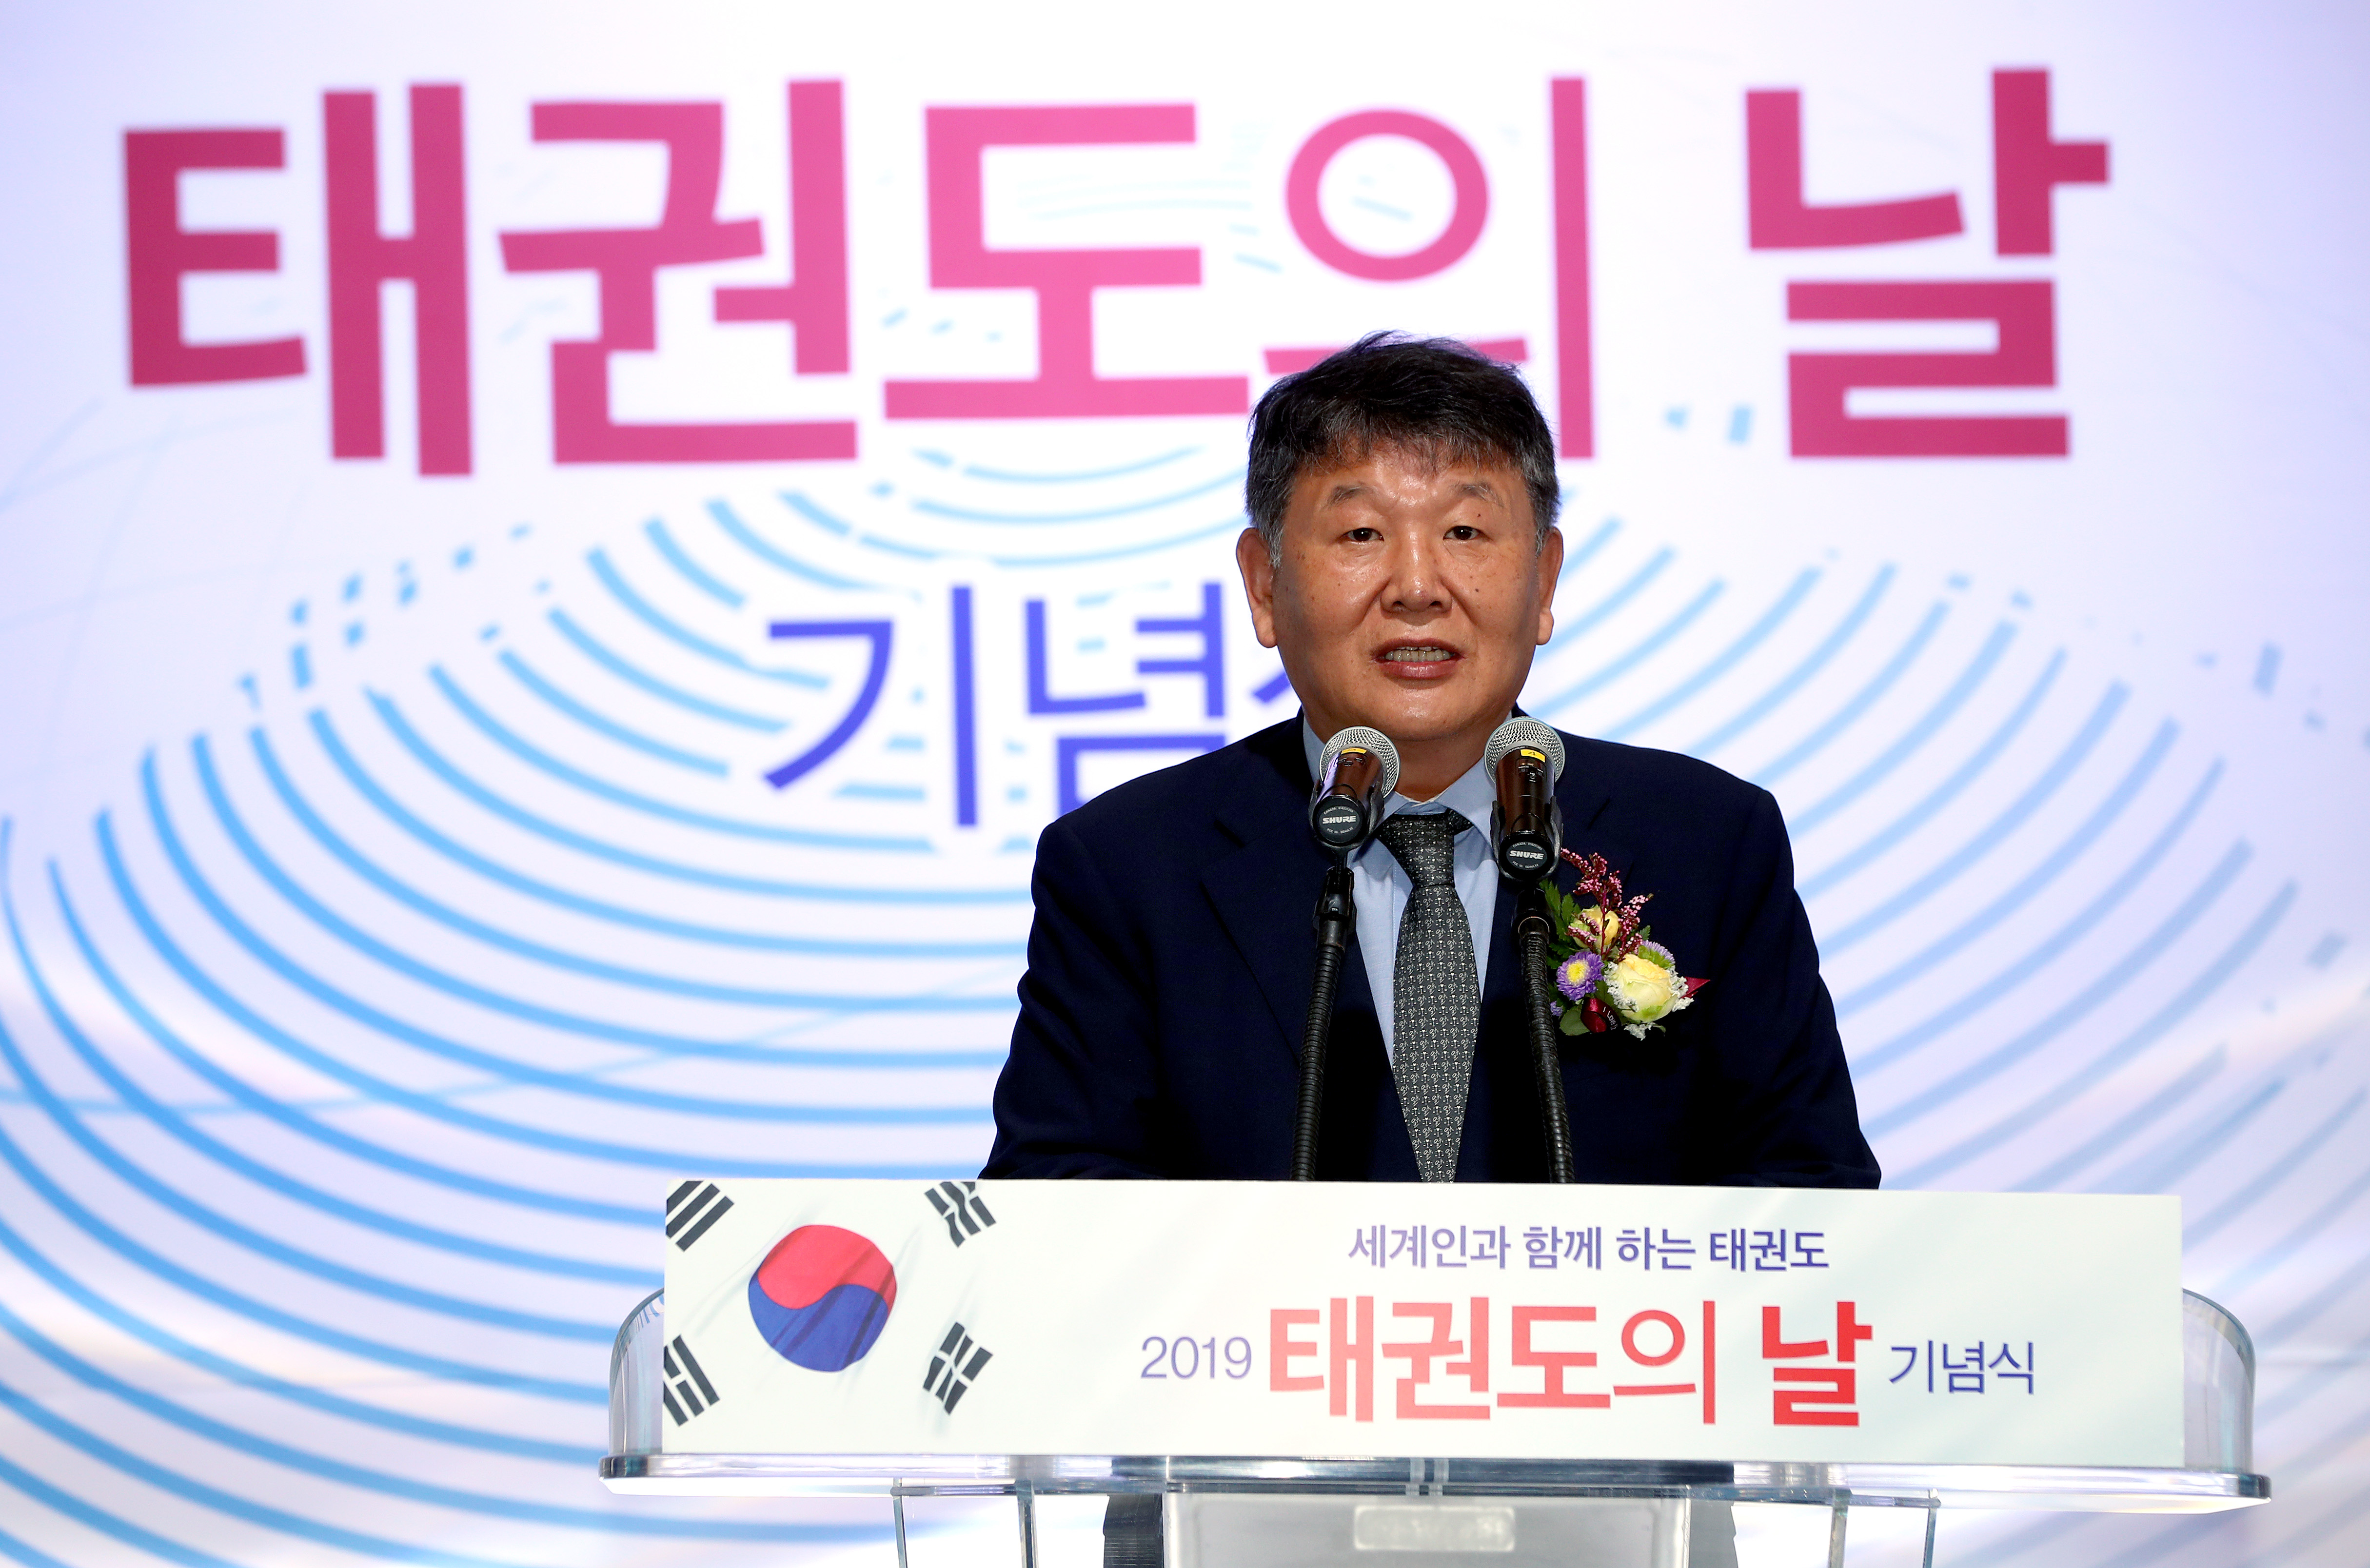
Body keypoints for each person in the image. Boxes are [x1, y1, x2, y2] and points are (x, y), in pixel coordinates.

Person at [983, 333, 1877, 1188]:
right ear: (1264, 585)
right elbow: (1055, 1200)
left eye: (1465, 532)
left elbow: (1810, 1189)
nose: (1417, 587)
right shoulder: (1126, 867)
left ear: (1545, 581)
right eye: (1361, 535)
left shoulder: (1709, 842)